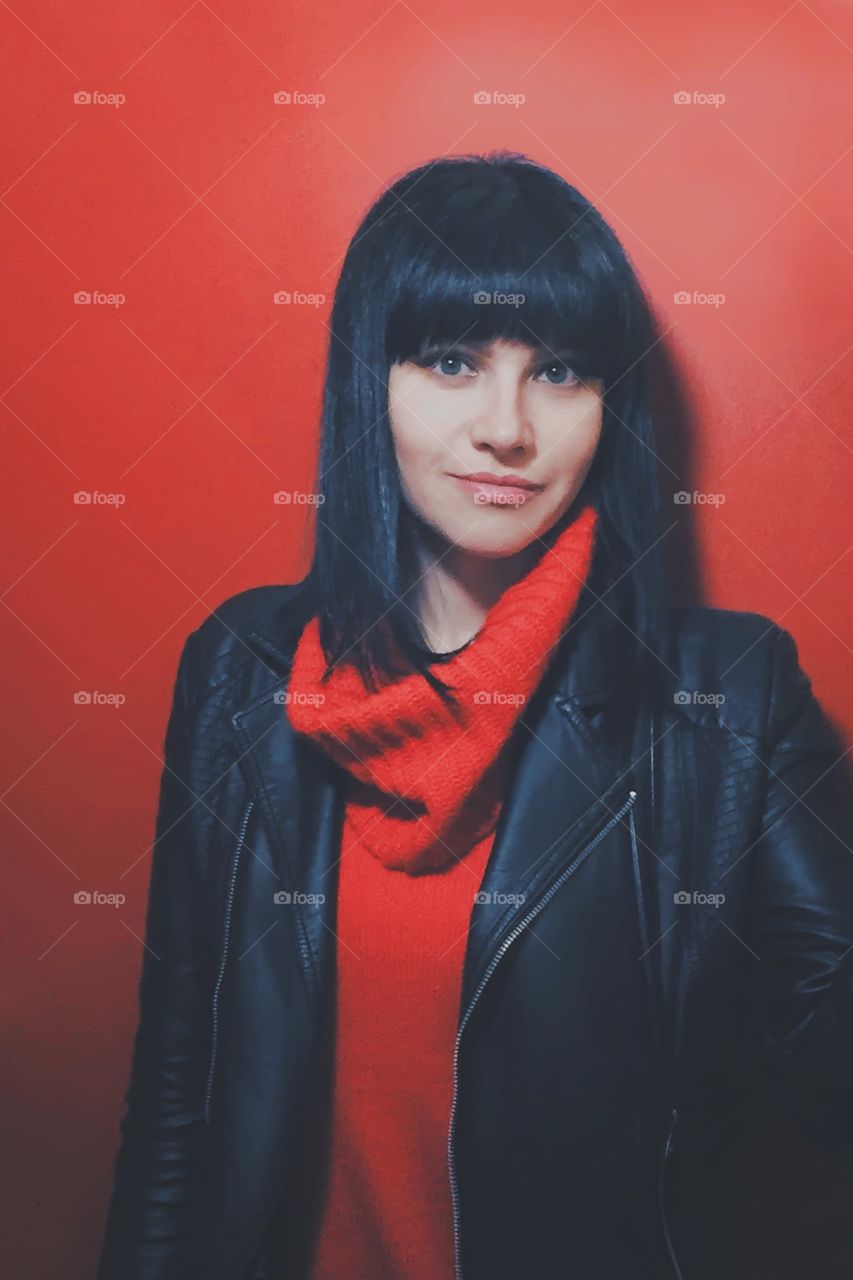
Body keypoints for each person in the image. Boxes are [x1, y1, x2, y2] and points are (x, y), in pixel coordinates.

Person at [97, 151, 853, 1280]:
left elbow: (827, 1037)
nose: (507, 428)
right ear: (372, 381)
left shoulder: (724, 702)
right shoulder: (240, 670)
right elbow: (178, 1091)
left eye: (558, 371)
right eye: (451, 361)